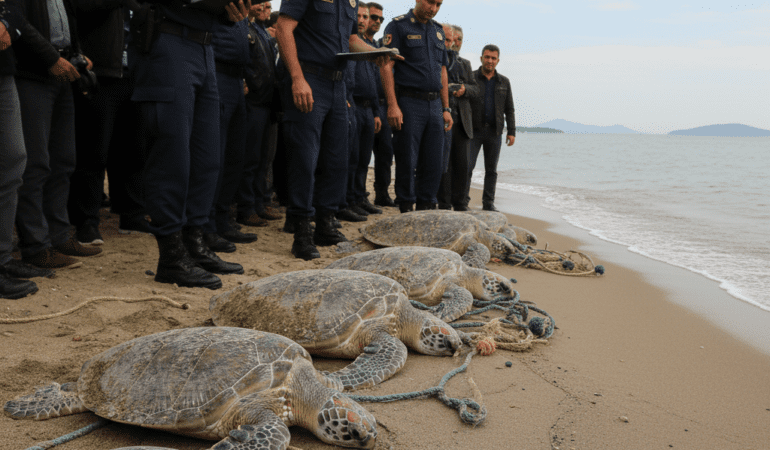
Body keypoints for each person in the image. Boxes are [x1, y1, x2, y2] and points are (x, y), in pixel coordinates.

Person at [130, 0, 247, 289]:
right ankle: (171, 256)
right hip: (168, 41)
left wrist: (231, 11)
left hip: (206, 49)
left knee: (207, 160)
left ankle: (195, 243)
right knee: (172, 158)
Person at [275, 0, 394, 260]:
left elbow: (351, 38)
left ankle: (325, 222)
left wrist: (374, 52)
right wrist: (296, 78)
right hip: (309, 77)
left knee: (337, 158)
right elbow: (284, 28)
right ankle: (302, 230)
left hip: (338, 86)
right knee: (305, 158)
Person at [13, 0, 103, 270]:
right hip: (32, 73)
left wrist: (76, 53)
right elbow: (19, 22)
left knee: (63, 161)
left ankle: (59, 236)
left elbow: (66, 20)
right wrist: (51, 58)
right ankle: (36, 246)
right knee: (35, 164)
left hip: (61, 73)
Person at [68, 0, 148, 246]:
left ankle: (132, 214)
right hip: (99, 74)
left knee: (133, 151)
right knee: (93, 152)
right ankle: (86, 221)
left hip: (133, 75)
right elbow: (80, 7)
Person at [380, 0, 452, 213]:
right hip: (409, 102)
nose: (434, 8)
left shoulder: (438, 31)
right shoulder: (399, 26)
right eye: (431, 2)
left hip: (435, 105)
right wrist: (392, 105)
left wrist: (446, 109)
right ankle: (405, 207)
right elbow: (386, 66)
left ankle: (426, 207)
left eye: (439, 4)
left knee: (434, 162)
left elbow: (443, 71)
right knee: (407, 158)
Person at [0, 0, 48, 299]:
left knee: (13, 160)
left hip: (3, 69)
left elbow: (15, 5)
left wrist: (6, 24)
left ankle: (2, 261)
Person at [203, 1, 259, 249]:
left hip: (236, 79)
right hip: (216, 73)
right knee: (216, 155)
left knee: (235, 156)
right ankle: (206, 227)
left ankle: (222, 220)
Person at [236, 0, 282, 228]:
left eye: (268, 3)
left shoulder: (262, 32)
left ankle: (259, 204)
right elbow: (243, 62)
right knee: (251, 159)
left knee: (264, 158)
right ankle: (246, 208)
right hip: (253, 101)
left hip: (267, 103)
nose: (266, 7)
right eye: (261, 2)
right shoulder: (243, 27)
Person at [468, 44, 515, 212]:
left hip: (494, 132)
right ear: (481, 58)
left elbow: (509, 109)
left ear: (498, 61)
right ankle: (463, 200)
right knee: (468, 166)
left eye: (493, 58)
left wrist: (511, 132)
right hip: (473, 131)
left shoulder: (504, 82)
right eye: (487, 57)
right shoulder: (471, 77)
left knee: (491, 170)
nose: (490, 61)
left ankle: (488, 203)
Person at [437, 24, 477, 211]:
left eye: (459, 40)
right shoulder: (439, 60)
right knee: (445, 165)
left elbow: (476, 89)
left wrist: (465, 89)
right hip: (443, 117)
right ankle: (444, 204)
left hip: (463, 122)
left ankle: (461, 203)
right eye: (452, 39)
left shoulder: (465, 64)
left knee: (463, 165)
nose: (455, 43)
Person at [365, 2, 395, 207]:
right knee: (361, 155)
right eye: (373, 17)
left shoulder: (379, 47)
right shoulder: (355, 44)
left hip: (383, 106)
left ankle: (382, 194)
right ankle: (357, 197)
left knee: (385, 153)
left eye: (380, 19)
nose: (376, 21)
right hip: (364, 105)